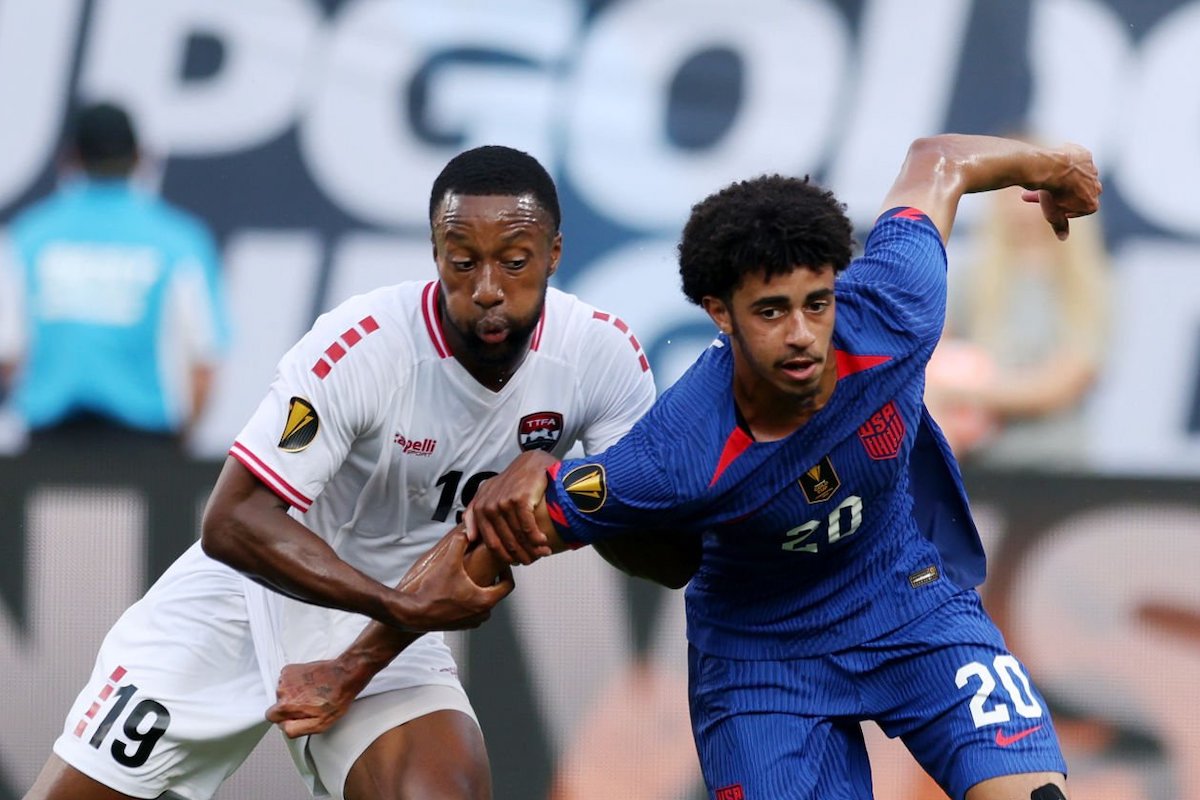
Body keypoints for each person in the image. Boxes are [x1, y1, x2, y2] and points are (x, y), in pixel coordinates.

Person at [268, 134, 1100, 800]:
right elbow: (485, 542)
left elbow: (936, 162)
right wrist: (350, 669)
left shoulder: (894, 309)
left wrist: (1050, 163)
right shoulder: (674, 454)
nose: (805, 335)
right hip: (765, 665)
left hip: (909, 608)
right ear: (719, 314)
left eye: (817, 302)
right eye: (771, 313)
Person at [22, 144, 657, 800]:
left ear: (554, 253)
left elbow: (656, 546)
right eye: (462, 263)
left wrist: (566, 495)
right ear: (435, 254)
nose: (487, 289)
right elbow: (232, 520)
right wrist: (400, 604)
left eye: (514, 262)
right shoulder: (364, 344)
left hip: (390, 627)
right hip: (249, 595)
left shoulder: (601, 357)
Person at [0, 101, 230, 449]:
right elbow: (203, 367)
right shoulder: (179, 241)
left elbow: (8, 357)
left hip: (48, 452)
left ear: (71, 157)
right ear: (141, 156)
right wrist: (179, 446)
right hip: (146, 448)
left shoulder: (29, 238)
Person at [924, 178, 1111, 466]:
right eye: (1013, 194)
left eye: (1035, 194)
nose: (1024, 207)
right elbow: (929, 356)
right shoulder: (970, 280)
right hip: (976, 464)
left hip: (1057, 466)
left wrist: (957, 392)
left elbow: (1060, 385)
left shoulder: (1092, 286)